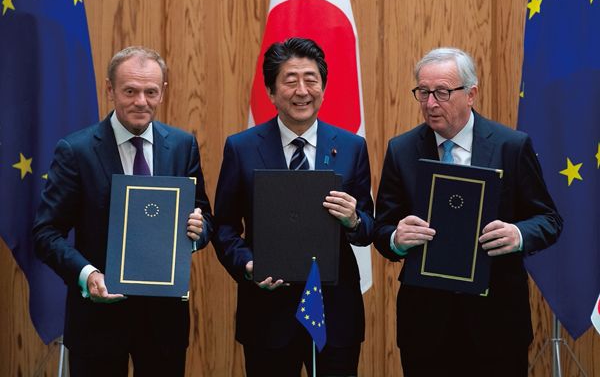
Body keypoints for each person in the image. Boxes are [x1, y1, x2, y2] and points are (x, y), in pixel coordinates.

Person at [374, 47, 562, 377]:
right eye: (423, 92)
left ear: (471, 94)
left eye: (442, 92)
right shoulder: (401, 150)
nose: (430, 103)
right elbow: (382, 229)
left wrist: (518, 234)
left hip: (497, 324)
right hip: (427, 326)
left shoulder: (511, 146)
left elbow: (549, 220)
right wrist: (396, 239)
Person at [33, 46, 213, 377]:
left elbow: (203, 218)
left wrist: (197, 232)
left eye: (150, 92)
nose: (141, 101)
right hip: (97, 319)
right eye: (130, 91)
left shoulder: (182, 145)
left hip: (163, 323)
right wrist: (88, 275)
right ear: (110, 89)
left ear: (163, 92)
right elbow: (46, 233)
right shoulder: (76, 151)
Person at [213, 37, 374, 377]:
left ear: (323, 88)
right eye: (290, 80)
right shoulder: (242, 148)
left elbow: (368, 227)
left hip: (335, 312)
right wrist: (248, 265)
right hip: (267, 314)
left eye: (311, 80)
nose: (302, 91)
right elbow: (224, 226)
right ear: (271, 92)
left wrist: (353, 220)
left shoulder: (352, 147)